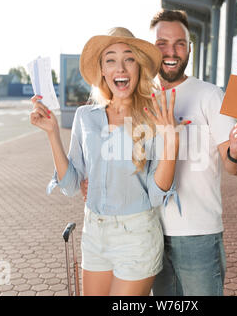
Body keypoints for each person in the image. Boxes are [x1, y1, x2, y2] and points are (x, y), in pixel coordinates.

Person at [29, 27, 189, 296]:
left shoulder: (154, 117)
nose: (121, 67)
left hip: (137, 235)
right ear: (102, 70)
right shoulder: (85, 117)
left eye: (129, 58)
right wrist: (52, 134)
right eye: (111, 60)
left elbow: (156, 194)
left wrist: (171, 143)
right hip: (94, 233)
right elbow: (70, 186)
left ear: (138, 67)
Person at [147, 9, 237, 296]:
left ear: (190, 48)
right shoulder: (142, 98)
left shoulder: (210, 95)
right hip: (150, 232)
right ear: (150, 49)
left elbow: (234, 166)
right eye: (162, 44)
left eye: (180, 43)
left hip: (198, 235)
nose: (172, 51)